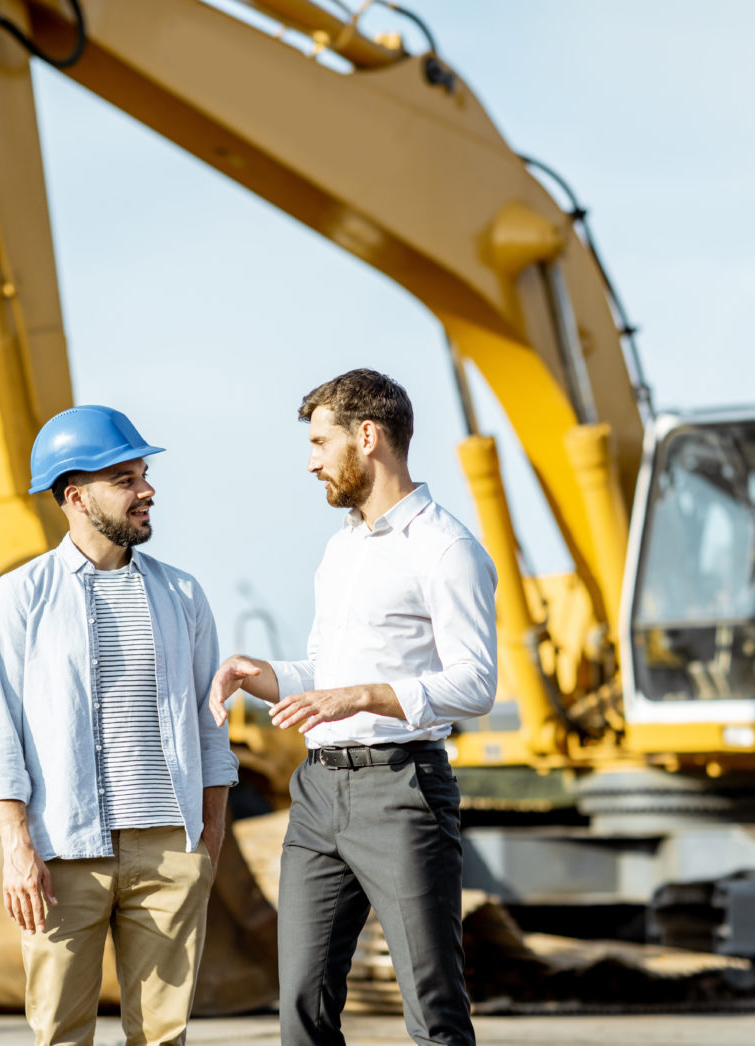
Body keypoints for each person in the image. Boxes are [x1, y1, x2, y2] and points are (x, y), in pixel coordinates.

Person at [208, 369, 498, 1046]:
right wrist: (264, 673)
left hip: (401, 792)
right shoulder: (340, 550)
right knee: (302, 1008)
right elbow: (325, 678)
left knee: (433, 1009)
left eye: (319, 441)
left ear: (367, 437)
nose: (310, 461)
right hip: (317, 794)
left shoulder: (446, 550)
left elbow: (476, 683)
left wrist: (364, 694)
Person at [0, 405, 239, 1046]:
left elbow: (211, 730)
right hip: (63, 853)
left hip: (169, 850)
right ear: (75, 495)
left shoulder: (183, 596)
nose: (147, 491)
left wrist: (208, 840)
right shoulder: (21, 595)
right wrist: (17, 850)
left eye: (143, 474)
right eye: (125, 479)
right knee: (61, 1034)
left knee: (163, 1039)